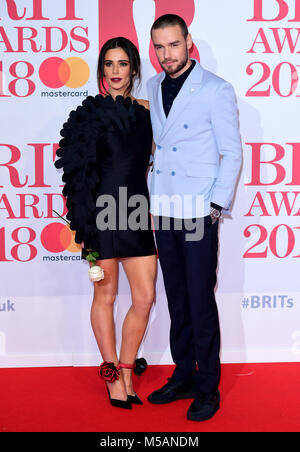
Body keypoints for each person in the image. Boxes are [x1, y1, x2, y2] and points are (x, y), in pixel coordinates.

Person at [146, 15, 242, 421]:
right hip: (164, 207)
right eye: (159, 47)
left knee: (201, 301)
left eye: (173, 45)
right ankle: (184, 374)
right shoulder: (151, 86)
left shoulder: (217, 89)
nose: (166, 55)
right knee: (178, 300)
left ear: (188, 43)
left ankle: (208, 387)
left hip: (198, 209)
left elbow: (232, 152)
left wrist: (216, 206)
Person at [54, 37, 157, 410]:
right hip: (100, 217)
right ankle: (112, 374)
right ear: (101, 71)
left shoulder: (148, 111)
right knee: (107, 295)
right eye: (109, 65)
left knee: (144, 298)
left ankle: (128, 369)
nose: (116, 72)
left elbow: (162, 162)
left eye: (123, 64)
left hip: (136, 214)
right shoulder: (88, 115)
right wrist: (85, 225)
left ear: (134, 68)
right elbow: (77, 174)